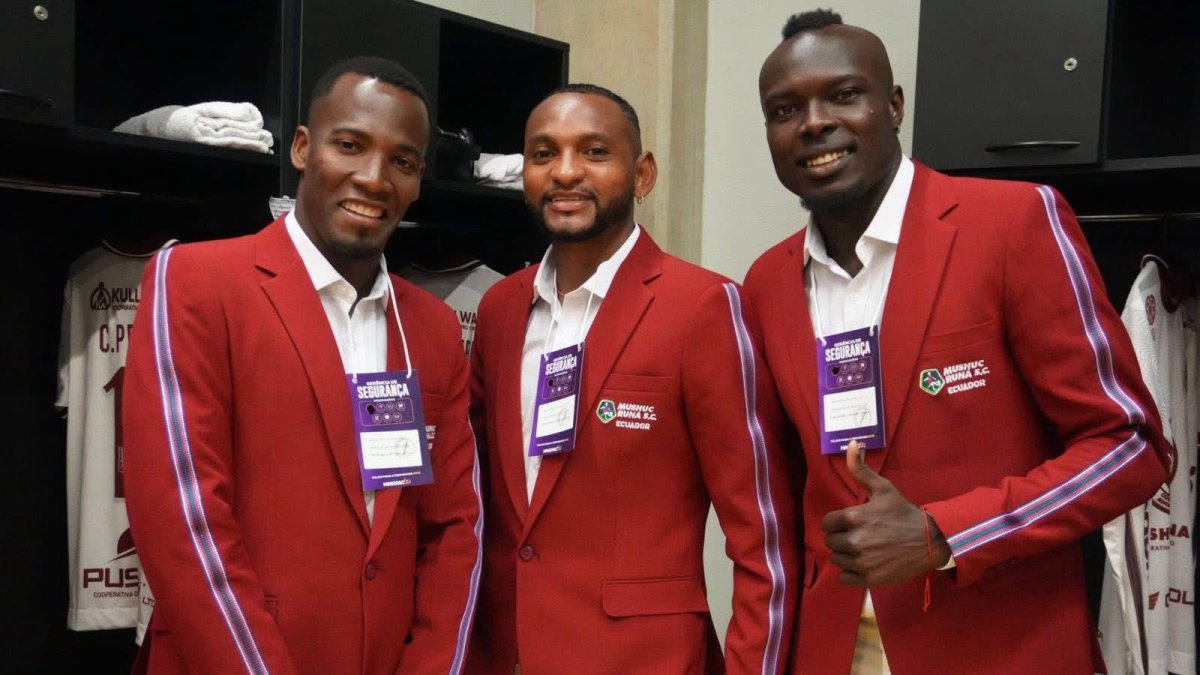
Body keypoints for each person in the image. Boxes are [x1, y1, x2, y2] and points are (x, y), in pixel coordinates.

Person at [743, 10, 1171, 674]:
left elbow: (1131, 446)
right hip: (832, 648)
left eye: (844, 94)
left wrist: (946, 532)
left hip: (996, 644)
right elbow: (782, 498)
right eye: (784, 109)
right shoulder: (766, 283)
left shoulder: (1010, 224)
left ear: (894, 105)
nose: (814, 122)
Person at [122, 56, 483, 674]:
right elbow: (183, 520)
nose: (373, 178)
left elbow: (455, 530)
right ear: (302, 148)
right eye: (350, 145)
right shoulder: (196, 283)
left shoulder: (432, 326)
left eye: (402, 162)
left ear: (419, 180)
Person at [467, 84, 797, 674]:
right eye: (544, 154)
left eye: (594, 151)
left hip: (644, 658)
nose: (566, 172)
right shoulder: (499, 309)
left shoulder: (701, 307)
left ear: (642, 174)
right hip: (506, 651)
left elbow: (762, 537)